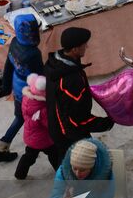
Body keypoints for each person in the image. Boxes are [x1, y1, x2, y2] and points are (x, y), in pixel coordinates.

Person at [45, 26, 114, 159]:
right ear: (75, 49)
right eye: (84, 45)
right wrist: (107, 122)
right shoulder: (71, 80)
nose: (86, 47)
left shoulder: (55, 63)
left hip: (56, 125)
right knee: (80, 164)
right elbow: (76, 118)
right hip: (69, 134)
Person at [0, 11, 43, 163]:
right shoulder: (33, 53)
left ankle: (2, 146)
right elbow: (40, 76)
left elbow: (8, 65)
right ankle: (43, 144)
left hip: (17, 87)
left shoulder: (15, 42)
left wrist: (6, 86)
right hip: (30, 91)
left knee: (20, 116)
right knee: (31, 117)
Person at [50, 138, 114, 198]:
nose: (77, 173)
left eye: (83, 170)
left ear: (92, 167)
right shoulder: (63, 172)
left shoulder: (105, 177)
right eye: (74, 168)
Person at [14, 73, 60, 180]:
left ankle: (20, 174)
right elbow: (50, 125)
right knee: (54, 154)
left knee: (29, 156)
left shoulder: (27, 99)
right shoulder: (42, 109)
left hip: (30, 135)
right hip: (43, 139)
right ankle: (60, 171)